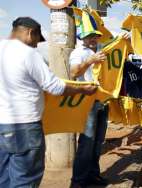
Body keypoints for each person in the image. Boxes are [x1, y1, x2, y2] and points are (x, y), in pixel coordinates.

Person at [0, 17, 98, 188]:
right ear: (30, 33)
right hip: (25, 127)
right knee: (25, 180)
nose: (37, 45)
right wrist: (82, 90)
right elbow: (54, 86)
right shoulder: (28, 53)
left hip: (2, 126)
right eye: (37, 41)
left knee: (4, 177)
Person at [69, 27, 109, 187]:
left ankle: (93, 175)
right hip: (87, 103)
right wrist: (90, 61)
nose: (93, 38)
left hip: (103, 101)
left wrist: (125, 37)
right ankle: (77, 181)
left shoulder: (102, 49)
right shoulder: (78, 53)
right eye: (89, 36)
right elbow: (73, 73)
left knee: (98, 141)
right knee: (86, 142)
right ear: (82, 37)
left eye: (95, 36)